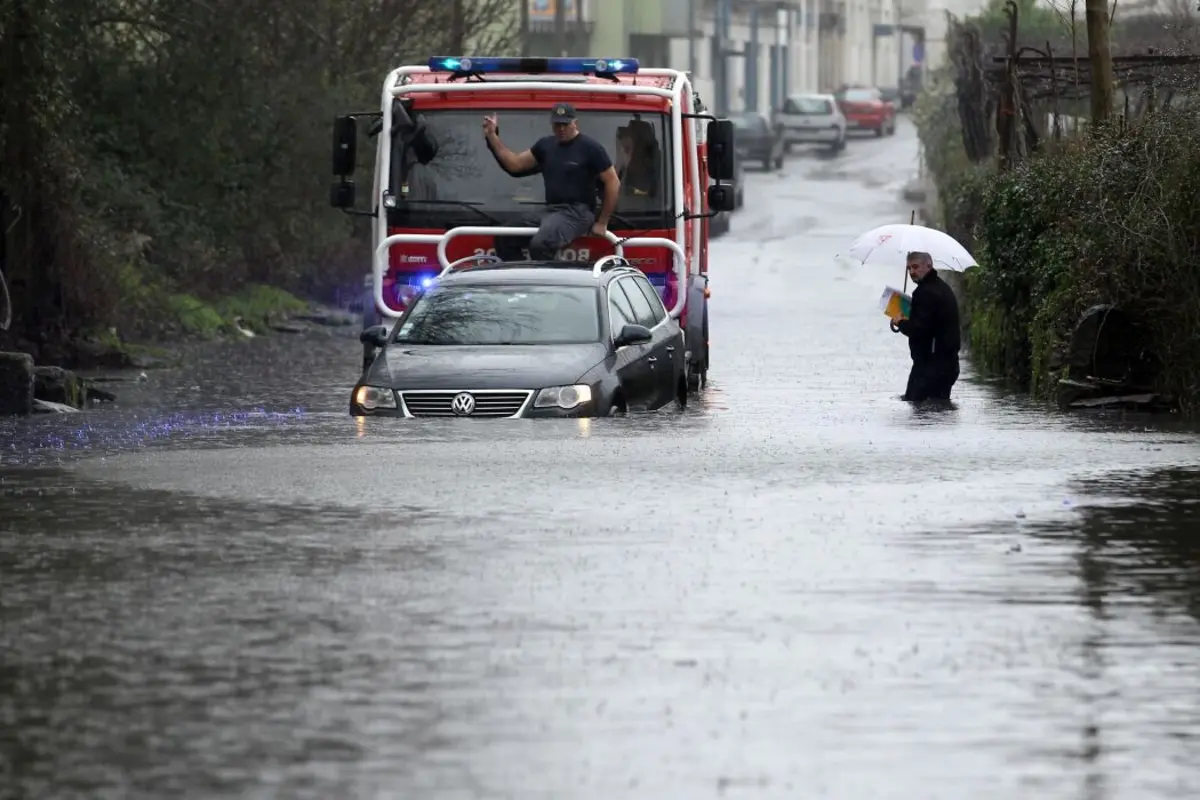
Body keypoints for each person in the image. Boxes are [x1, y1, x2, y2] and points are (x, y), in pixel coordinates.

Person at [483, 103, 620, 260]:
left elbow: (613, 182)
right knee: (504, 236)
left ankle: (545, 283)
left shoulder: (591, 148)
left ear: (575, 123)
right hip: (552, 211)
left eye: (565, 124)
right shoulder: (545, 145)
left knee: (541, 245)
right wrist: (492, 136)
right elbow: (515, 165)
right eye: (557, 124)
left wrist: (602, 222)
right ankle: (523, 278)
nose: (561, 128)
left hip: (578, 213)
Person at [889, 251, 962, 402]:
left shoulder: (925, 293)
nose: (911, 272)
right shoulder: (941, 287)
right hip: (946, 365)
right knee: (937, 414)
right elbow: (930, 323)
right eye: (909, 268)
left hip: (931, 367)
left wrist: (900, 322)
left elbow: (918, 330)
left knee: (919, 411)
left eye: (915, 267)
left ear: (929, 265)